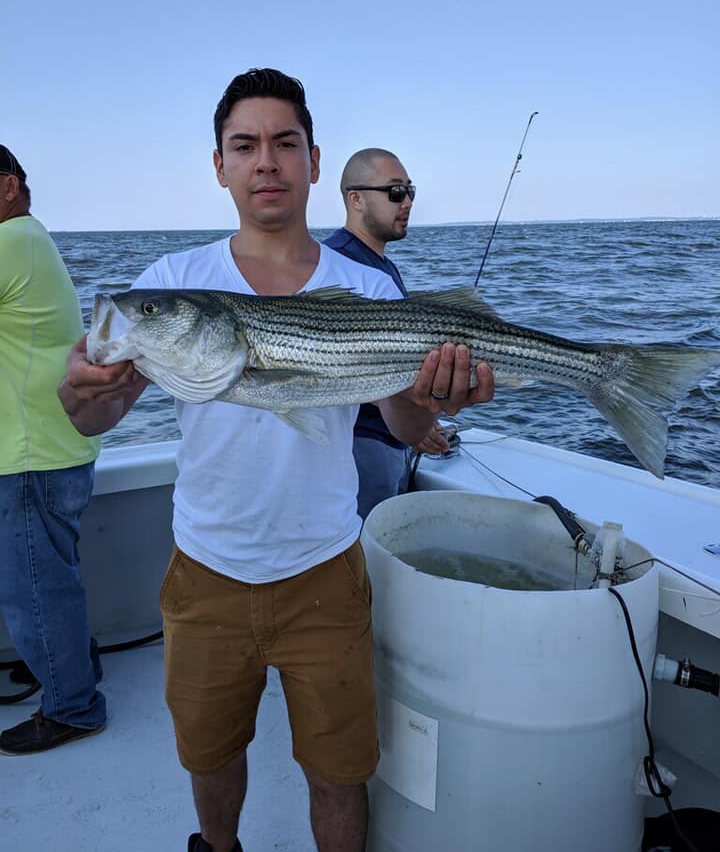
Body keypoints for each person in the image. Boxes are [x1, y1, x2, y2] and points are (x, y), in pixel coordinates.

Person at [57, 69, 495, 852]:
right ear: (220, 165)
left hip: (325, 569)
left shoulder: (368, 288)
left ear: (315, 163)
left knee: (338, 768)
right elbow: (94, 415)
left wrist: (429, 395)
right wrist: (83, 389)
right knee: (210, 752)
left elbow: (398, 423)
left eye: (284, 143)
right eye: (245, 145)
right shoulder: (170, 284)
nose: (266, 161)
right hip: (204, 571)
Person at [0, 145, 105, 755]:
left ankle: (72, 704)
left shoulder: (11, 241)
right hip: (53, 442)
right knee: (53, 574)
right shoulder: (32, 239)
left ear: (8, 185)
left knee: (33, 585)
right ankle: (71, 661)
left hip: (30, 452)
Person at [324, 148, 450, 519]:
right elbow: (338, 356)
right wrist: (395, 408)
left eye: (411, 191)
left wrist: (417, 417)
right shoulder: (338, 264)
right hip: (361, 445)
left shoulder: (379, 266)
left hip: (391, 440)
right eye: (395, 192)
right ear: (356, 198)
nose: (407, 201)